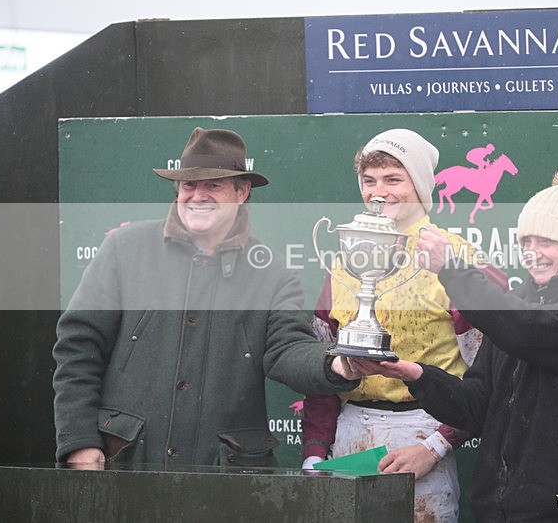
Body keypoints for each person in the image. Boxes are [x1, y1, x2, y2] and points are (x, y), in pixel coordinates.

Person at [52, 127, 361, 469]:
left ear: (242, 191)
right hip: (127, 463)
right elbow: (79, 347)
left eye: (213, 185)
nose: (198, 195)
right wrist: (79, 441)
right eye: (189, 185)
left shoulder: (274, 272)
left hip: (226, 478)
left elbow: (287, 350)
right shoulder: (123, 249)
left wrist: (337, 364)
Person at [351, 167, 558, 521]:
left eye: (546, 242)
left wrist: (452, 270)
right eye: (526, 242)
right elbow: (474, 407)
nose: (533, 253)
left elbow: (528, 332)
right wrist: (417, 375)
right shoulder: (516, 305)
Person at [301, 129, 508, 522]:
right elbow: (322, 371)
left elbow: (488, 382)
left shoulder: (459, 258)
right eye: (369, 180)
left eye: (393, 179)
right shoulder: (344, 263)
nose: (379, 192)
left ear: (420, 185)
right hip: (350, 440)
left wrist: (434, 447)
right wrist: (314, 452)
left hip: (424, 436)